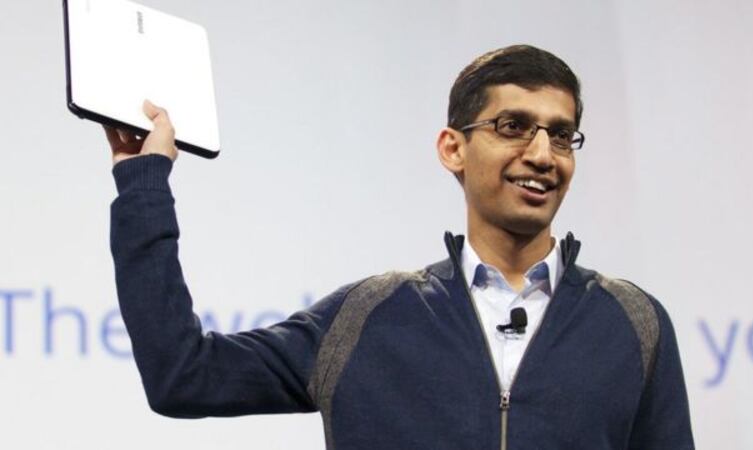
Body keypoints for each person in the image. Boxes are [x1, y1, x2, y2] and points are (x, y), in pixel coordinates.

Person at [105, 45, 694, 449]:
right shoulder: (368, 317)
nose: (542, 154)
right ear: (452, 148)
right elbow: (184, 375)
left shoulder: (633, 323)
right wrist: (142, 184)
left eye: (561, 135)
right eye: (512, 127)